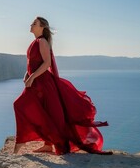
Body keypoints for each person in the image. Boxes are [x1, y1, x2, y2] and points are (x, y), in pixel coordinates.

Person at [13, 16, 112, 155]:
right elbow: (33, 63)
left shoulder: (42, 41)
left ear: (42, 27)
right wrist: (27, 75)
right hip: (36, 83)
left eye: (34, 23)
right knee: (43, 111)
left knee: (20, 105)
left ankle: (20, 143)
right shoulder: (34, 42)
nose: (31, 24)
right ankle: (47, 145)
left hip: (43, 83)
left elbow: (46, 63)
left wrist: (33, 76)